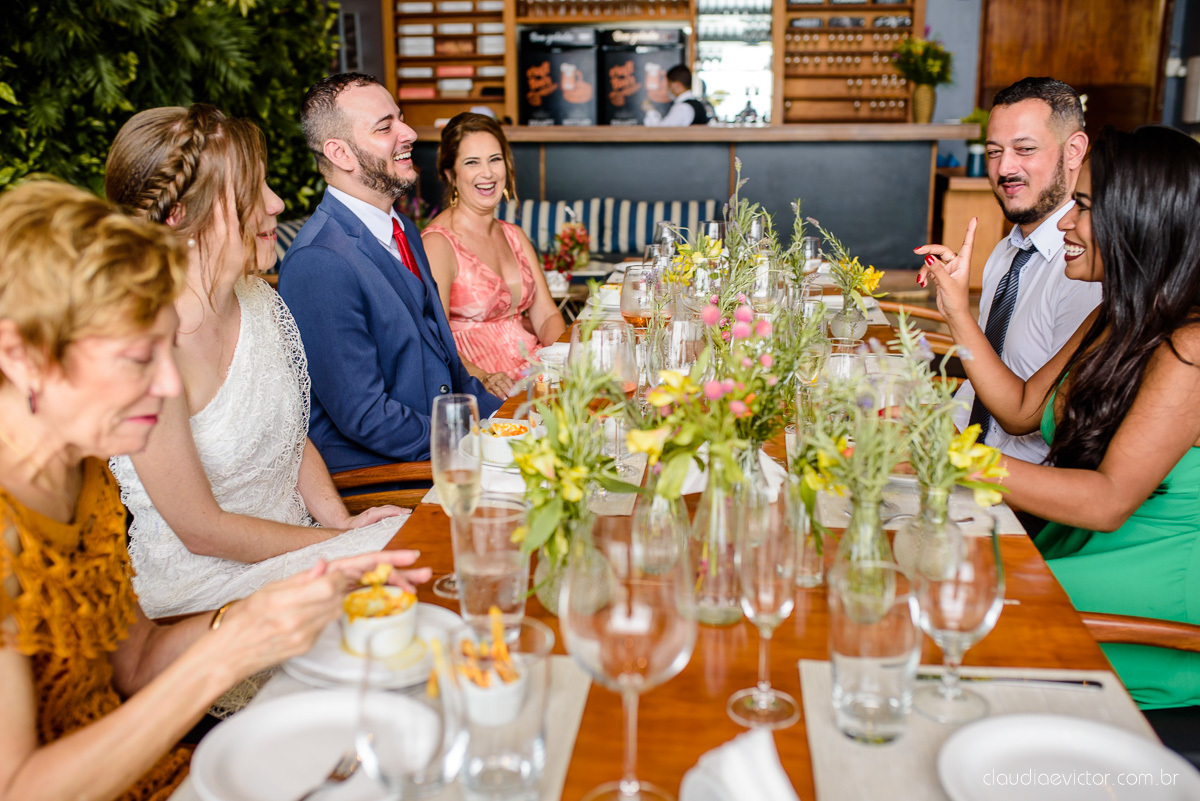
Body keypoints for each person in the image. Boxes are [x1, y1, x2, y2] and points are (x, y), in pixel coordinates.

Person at [0, 180, 430, 801]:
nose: (170, 386)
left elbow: (138, 660)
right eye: (135, 359)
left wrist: (253, 613)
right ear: (23, 355)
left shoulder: (84, 473)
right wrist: (224, 658)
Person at [920, 125, 1200, 710]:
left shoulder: (1190, 348)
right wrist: (956, 309)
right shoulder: (1117, 316)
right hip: (1067, 551)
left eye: (1087, 207)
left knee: (930, 604)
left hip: (1134, 593)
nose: (1067, 223)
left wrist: (941, 455)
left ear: (1142, 221)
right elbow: (1022, 410)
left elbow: (1107, 500)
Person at [104, 105, 408, 620]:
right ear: (181, 216)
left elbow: (288, 432)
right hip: (202, 593)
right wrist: (329, 548)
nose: (276, 203)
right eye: (252, 192)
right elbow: (201, 531)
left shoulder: (260, 301)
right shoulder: (144, 349)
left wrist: (340, 525)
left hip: (298, 549)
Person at [279, 73, 503, 471]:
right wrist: (475, 448)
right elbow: (366, 417)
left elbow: (451, 371)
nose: (409, 133)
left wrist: (511, 423)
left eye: (400, 118)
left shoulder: (404, 230)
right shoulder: (319, 261)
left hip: (447, 453)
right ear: (341, 154)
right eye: (386, 127)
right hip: (388, 476)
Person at [917, 77, 1102, 465]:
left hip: (1016, 486)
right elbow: (980, 379)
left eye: (1025, 149)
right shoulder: (1006, 252)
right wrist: (932, 426)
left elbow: (1036, 420)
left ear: (1074, 150)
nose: (1004, 168)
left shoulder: (1088, 274)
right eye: (993, 152)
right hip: (960, 447)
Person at [422, 113, 565, 396]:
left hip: (533, 373)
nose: (487, 173)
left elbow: (547, 315)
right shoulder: (438, 243)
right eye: (472, 162)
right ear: (450, 174)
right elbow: (433, 336)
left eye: (495, 159)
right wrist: (481, 377)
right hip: (479, 386)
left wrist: (565, 356)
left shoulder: (514, 235)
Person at [642, 65, 709, 127]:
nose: (668, 89)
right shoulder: (695, 104)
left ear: (676, 85)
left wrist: (650, 112)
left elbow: (661, 132)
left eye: (669, 85)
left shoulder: (683, 108)